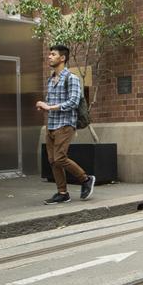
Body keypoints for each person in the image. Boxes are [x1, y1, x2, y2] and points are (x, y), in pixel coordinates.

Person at [37, 45, 96, 205]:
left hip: (65, 124)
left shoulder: (72, 78)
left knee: (60, 158)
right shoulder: (50, 80)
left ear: (62, 58)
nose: (49, 57)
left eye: (53, 54)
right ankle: (62, 193)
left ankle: (86, 179)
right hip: (52, 124)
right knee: (53, 160)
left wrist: (50, 107)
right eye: (49, 54)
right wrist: (44, 105)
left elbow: (73, 101)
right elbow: (52, 102)